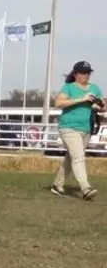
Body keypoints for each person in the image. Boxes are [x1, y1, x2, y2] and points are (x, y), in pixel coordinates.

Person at [50, 60, 102, 199]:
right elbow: (58, 103)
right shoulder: (69, 87)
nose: (86, 76)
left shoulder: (95, 88)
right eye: (83, 73)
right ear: (76, 74)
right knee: (78, 157)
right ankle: (86, 188)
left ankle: (57, 185)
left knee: (71, 158)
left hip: (86, 128)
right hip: (69, 127)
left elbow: (103, 104)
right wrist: (81, 99)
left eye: (88, 73)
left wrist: (98, 106)